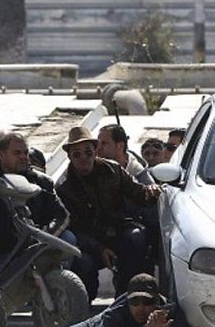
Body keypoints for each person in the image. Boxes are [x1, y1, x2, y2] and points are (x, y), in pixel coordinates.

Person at [56, 126, 161, 300]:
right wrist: (99, 249)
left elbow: (138, 193)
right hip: (89, 242)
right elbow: (70, 229)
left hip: (118, 231)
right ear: (70, 156)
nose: (84, 158)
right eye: (77, 154)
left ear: (95, 151)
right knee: (82, 263)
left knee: (137, 238)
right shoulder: (63, 187)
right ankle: (83, 307)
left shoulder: (114, 171)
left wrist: (152, 190)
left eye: (88, 152)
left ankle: (128, 299)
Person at [0, 133, 69, 270]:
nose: (23, 157)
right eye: (17, 153)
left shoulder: (41, 181)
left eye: (25, 152)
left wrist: (46, 237)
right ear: (1, 154)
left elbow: (62, 215)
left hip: (33, 247)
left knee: (69, 238)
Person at [36, 274, 189, 327]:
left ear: (156, 302)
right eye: (135, 302)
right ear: (128, 302)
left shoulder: (171, 313)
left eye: (147, 302)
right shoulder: (114, 315)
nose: (141, 308)